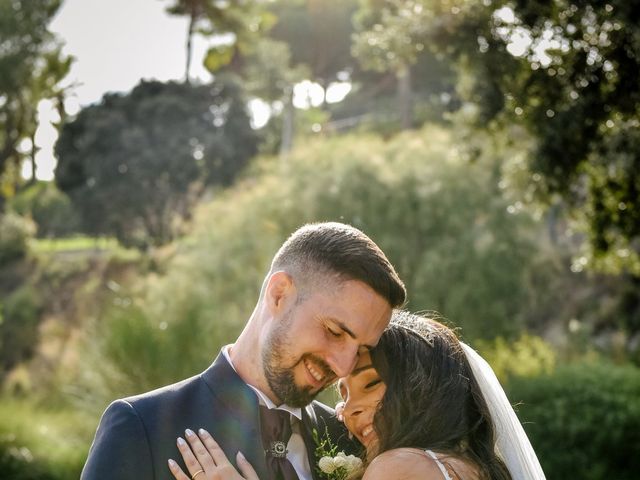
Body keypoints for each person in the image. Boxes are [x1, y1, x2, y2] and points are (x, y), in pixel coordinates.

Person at [81, 222, 406, 480]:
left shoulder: (351, 442)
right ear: (279, 294)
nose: (345, 365)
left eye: (362, 349)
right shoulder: (143, 427)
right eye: (334, 331)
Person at [167, 312, 545, 480]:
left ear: (423, 387)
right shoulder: (474, 468)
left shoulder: (400, 467)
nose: (346, 411)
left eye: (371, 384)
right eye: (342, 393)